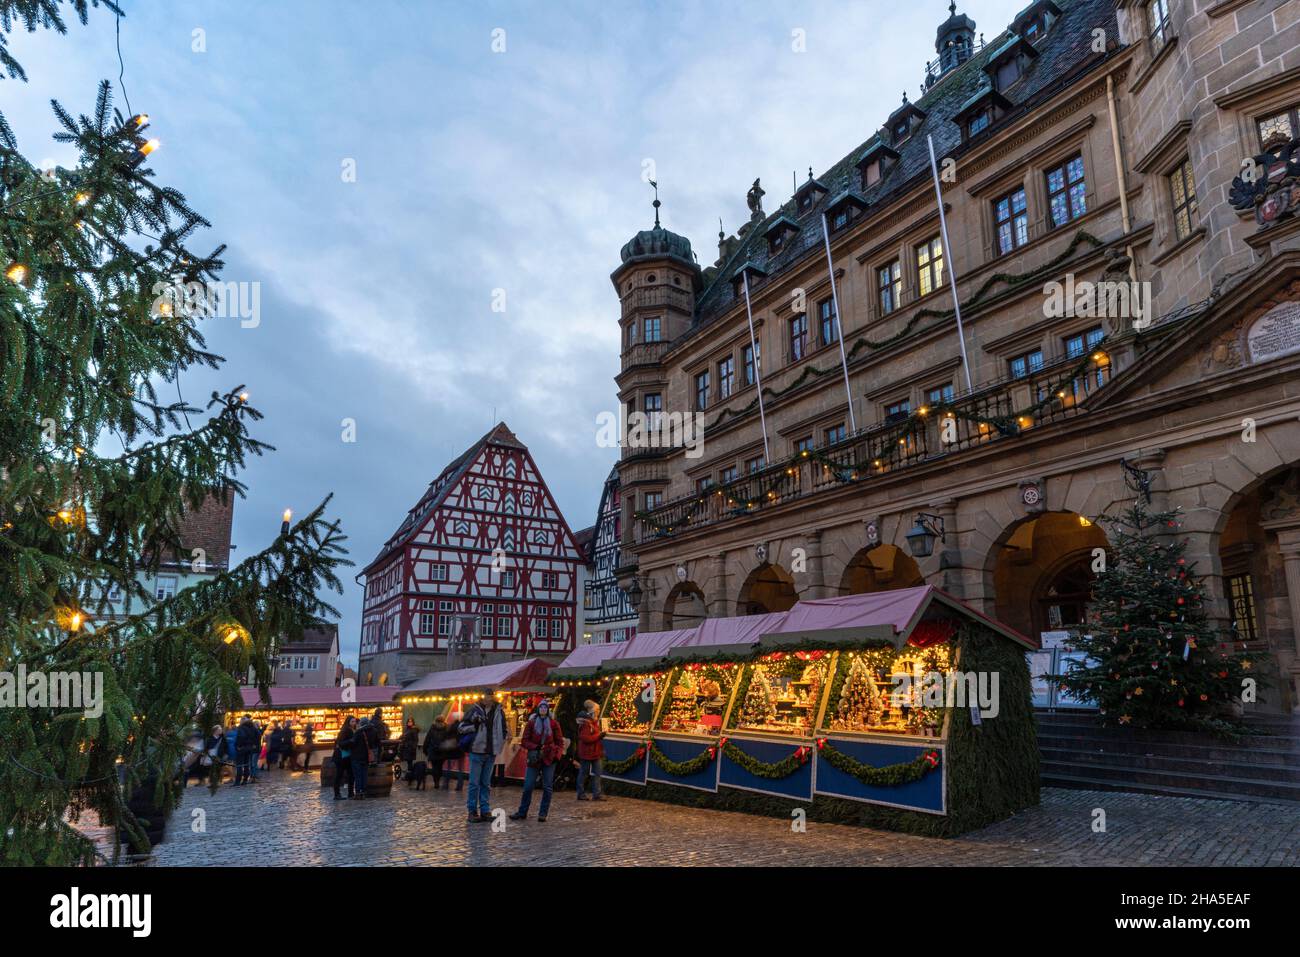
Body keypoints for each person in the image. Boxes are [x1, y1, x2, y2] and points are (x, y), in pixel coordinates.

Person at [509, 699, 565, 822]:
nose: (543, 710)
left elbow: (560, 741)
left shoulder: (554, 724)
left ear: (548, 710)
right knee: (528, 786)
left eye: (545, 708)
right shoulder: (532, 723)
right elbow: (524, 741)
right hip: (534, 758)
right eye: (541, 708)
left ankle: (543, 813)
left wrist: (557, 755)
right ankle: (522, 811)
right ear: (538, 709)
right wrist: (535, 747)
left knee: (547, 787)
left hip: (549, 758)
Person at [460, 691, 505, 823]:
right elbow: (461, 727)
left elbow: (504, 728)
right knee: (474, 783)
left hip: (491, 751)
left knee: (486, 783)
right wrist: (474, 725)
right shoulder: (474, 710)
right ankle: (472, 811)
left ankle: (485, 810)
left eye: (490, 696)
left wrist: (500, 742)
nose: (488, 699)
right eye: (486, 696)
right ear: (482, 697)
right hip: (477, 750)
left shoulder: (498, 711)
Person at [575, 700, 606, 801]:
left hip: (595, 752)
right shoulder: (586, 723)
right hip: (587, 753)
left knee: (597, 773)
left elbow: (593, 737)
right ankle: (581, 793)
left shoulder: (593, 722)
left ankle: (596, 794)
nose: (598, 712)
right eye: (597, 710)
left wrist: (600, 735)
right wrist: (599, 735)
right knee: (584, 774)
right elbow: (586, 738)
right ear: (593, 711)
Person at [332, 716, 357, 800]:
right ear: (348, 722)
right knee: (339, 775)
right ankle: (337, 794)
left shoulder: (351, 730)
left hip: (347, 756)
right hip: (342, 756)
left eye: (354, 722)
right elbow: (340, 743)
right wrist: (351, 741)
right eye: (352, 722)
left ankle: (350, 793)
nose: (354, 723)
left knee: (351, 775)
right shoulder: (346, 730)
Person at [352, 717, 376, 799]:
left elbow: (353, 743)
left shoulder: (359, 732)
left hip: (357, 756)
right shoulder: (373, 731)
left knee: (358, 775)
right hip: (366, 757)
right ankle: (363, 792)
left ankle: (358, 793)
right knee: (364, 775)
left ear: (361, 724)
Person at [234, 715, 260, 786]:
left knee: (239, 765)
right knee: (246, 764)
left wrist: (238, 746)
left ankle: (237, 781)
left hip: (242, 748)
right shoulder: (253, 727)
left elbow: (241, 737)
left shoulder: (241, 727)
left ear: (242, 721)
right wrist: (253, 744)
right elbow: (258, 736)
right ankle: (245, 780)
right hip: (249, 748)